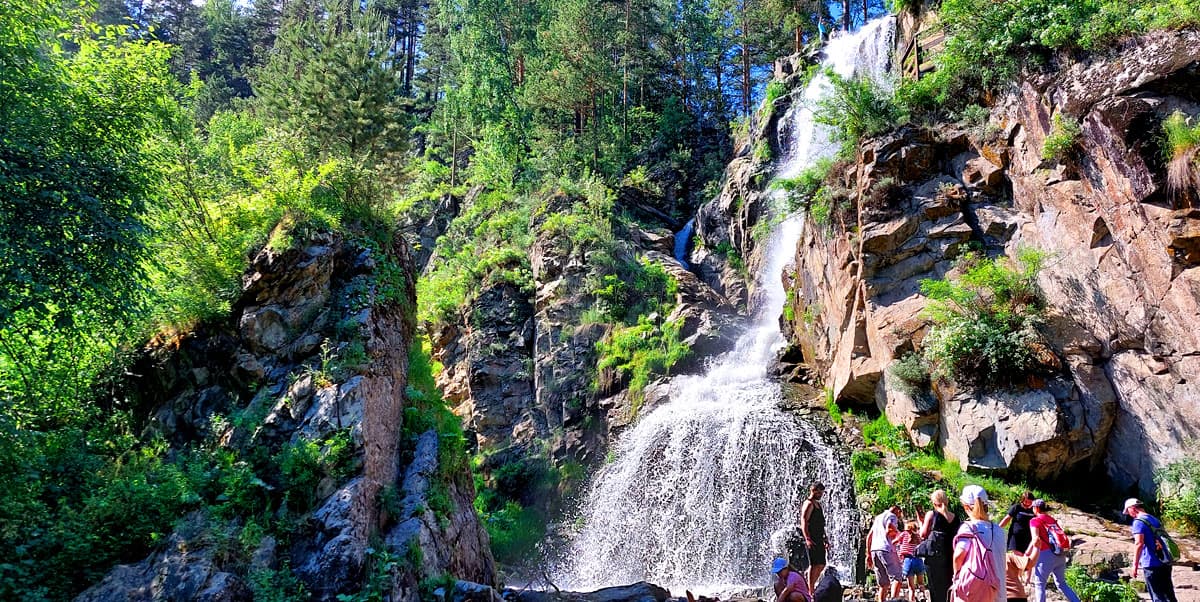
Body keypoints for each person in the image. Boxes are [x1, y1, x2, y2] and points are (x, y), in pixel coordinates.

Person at [952, 485, 1005, 602]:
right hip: (997, 593)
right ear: (987, 506)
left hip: (974, 594)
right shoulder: (999, 530)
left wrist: (956, 577)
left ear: (966, 507)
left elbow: (958, 556)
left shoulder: (968, 528)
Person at [1123, 498, 1178, 602]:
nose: (1128, 514)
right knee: (1169, 595)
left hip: (1151, 563)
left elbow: (1139, 543)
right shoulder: (1154, 519)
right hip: (1165, 561)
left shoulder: (1138, 522)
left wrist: (1134, 566)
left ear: (1133, 508)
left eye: (1128, 511)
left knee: (1157, 596)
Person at [1025, 499, 1081, 602]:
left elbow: (1035, 539)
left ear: (1036, 508)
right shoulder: (1051, 519)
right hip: (1060, 554)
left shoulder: (1035, 521)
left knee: (1040, 585)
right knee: (1061, 584)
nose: (1032, 509)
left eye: (1033, 507)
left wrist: (1029, 554)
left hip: (1045, 555)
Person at [921, 489, 962, 602]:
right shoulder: (956, 518)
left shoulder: (931, 514)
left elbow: (923, 534)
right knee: (949, 591)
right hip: (950, 559)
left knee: (935, 592)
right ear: (947, 501)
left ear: (934, 503)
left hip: (934, 559)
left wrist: (921, 524)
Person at [866, 504, 904, 602]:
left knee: (883, 583)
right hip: (887, 549)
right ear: (898, 511)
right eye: (900, 514)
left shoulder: (878, 518)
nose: (899, 517)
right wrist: (899, 535)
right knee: (897, 578)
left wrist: (868, 554)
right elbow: (889, 530)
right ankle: (893, 600)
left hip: (874, 549)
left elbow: (869, 536)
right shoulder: (892, 516)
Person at [800, 482, 829, 593]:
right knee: (814, 563)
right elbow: (804, 520)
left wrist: (825, 538)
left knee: (821, 564)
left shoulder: (817, 504)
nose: (821, 494)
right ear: (814, 490)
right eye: (820, 492)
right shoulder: (808, 504)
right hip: (812, 538)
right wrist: (807, 538)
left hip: (819, 538)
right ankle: (810, 590)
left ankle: (810, 585)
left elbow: (821, 524)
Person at [894, 521, 928, 602]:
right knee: (921, 583)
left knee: (911, 587)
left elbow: (894, 542)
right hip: (918, 560)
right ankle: (923, 596)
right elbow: (921, 543)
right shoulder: (917, 536)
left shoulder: (903, 534)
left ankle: (912, 600)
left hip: (908, 561)